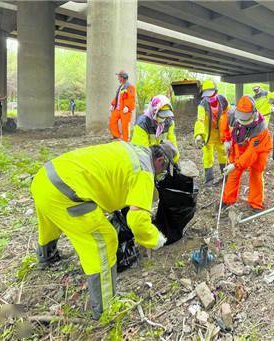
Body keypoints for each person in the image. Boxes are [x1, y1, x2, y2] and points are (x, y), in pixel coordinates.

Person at [31, 141, 175, 319]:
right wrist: (155, 239)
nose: (161, 175)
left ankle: (47, 256)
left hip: (45, 178)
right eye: (164, 170)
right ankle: (106, 308)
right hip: (65, 192)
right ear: (161, 161)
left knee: (50, 222)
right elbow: (137, 221)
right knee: (104, 241)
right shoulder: (144, 172)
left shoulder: (133, 150)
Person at [221, 95, 273, 211]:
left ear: (253, 114)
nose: (242, 122)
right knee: (234, 173)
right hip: (239, 144)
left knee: (256, 173)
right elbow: (225, 126)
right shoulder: (231, 114)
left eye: (245, 119)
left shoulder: (261, 128)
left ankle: (256, 204)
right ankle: (228, 200)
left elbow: (251, 153)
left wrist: (235, 164)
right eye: (241, 119)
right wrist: (226, 140)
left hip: (259, 149)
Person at [194, 79, 230, 185]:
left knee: (223, 154)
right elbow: (200, 120)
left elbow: (229, 114)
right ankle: (209, 179)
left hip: (221, 134)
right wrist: (199, 134)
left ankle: (225, 177)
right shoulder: (202, 104)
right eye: (207, 94)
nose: (209, 97)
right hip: (208, 135)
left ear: (216, 91)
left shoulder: (223, 100)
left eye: (211, 93)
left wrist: (229, 133)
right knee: (208, 156)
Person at [131, 95, 180, 162]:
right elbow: (141, 151)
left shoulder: (169, 122)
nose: (164, 119)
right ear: (154, 112)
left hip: (159, 157)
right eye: (162, 116)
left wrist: (174, 160)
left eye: (166, 116)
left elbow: (172, 142)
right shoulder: (142, 124)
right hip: (145, 159)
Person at [109, 71, 136, 141]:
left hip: (125, 109)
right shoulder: (120, 87)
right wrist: (112, 104)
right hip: (117, 109)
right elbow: (117, 97)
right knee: (112, 121)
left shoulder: (130, 87)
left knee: (125, 125)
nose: (118, 79)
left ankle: (126, 139)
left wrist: (127, 106)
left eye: (119, 77)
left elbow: (131, 98)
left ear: (123, 78)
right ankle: (116, 135)